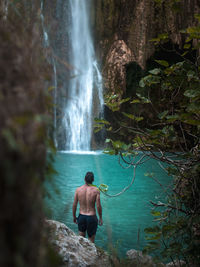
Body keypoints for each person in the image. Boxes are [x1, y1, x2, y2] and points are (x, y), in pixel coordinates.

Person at [72, 171, 103, 243]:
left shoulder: (78, 190)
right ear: (93, 180)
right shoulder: (96, 191)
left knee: (81, 240)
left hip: (81, 217)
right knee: (91, 242)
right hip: (91, 217)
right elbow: (98, 206)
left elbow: (74, 204)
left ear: (84, 179)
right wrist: (100, 218)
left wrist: (74, 216)